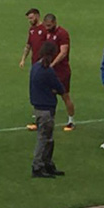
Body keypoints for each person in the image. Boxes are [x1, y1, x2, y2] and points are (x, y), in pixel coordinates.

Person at [29, 41, 65, 178]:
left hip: (38, 107)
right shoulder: (47, 70)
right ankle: (38, 166)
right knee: (44, 138)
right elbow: (60, 88)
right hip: (46, 108)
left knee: (48, 138)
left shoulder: (35, 67)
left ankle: (47, 164)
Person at [43, 13, 76, 131]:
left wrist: (52, 64)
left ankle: (71, 121)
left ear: (55, 22)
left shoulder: (62, 33)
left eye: (49, 25)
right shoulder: (48, 33)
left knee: (65, 95)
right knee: (48, 95)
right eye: (45, 25)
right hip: (50, 70)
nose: (47, 28)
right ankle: (48, 120)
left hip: (62, 71)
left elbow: (63, 52)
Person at [19, 8, 47, 131]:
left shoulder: (45, 29)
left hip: (44, 65)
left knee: (42, 90)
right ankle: (37, 116)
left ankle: (41, 118)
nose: (30, 21)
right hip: (35, 65)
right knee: (35, 89)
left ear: (37, 16)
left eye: (31, 18)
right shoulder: (31, 30)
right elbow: (28, 45)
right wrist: (23, 59)